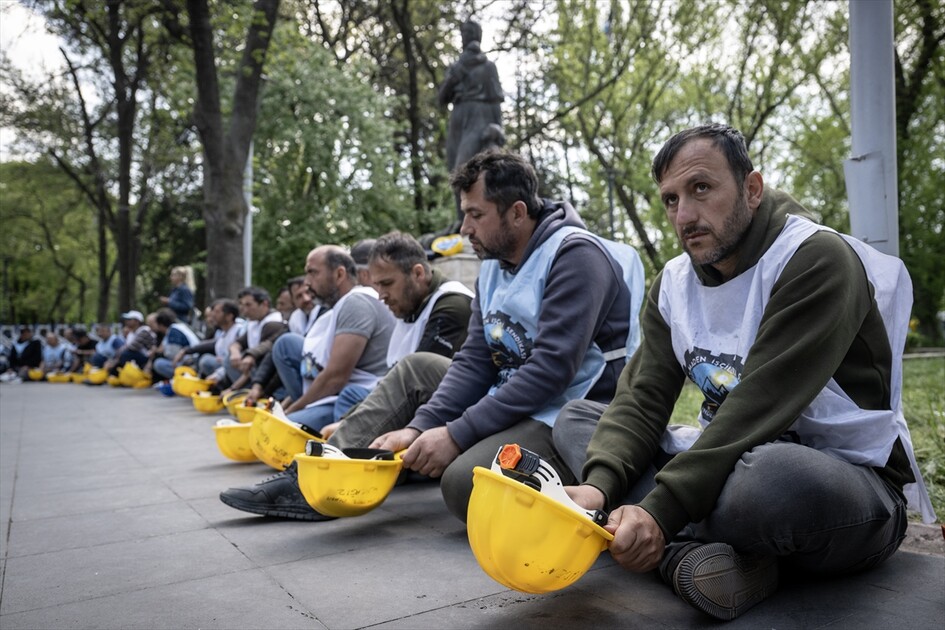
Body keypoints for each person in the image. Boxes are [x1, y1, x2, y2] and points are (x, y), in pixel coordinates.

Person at [559, 124, 935, 621]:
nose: (685, 215)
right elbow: (641, 399)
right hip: (729, 461)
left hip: (841, 482)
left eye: (701, 188)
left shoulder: (816, 259)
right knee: (578, 421)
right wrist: (599, 488)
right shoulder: (671, 284)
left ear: (752, 189)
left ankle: (667, 544)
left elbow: (759, 406)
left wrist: (661, 509)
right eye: (671, 200)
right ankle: (696, 562)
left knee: (769, 481)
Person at [220, 150, 643, 521]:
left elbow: (550, 371)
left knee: (461, 485)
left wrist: (455, 434)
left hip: (568, 410)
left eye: (475, 214)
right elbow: (476, 359)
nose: (464, 229)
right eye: (465, 214)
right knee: (417, 368)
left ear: (517, 212)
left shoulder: (576, 256)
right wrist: (420, 427)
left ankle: (368, 469)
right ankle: (312, 483)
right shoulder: (494, 264)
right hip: (515, 398)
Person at [220, 232, 476, 519]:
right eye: (377, 285)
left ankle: (315, 484)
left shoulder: (452, 305)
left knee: (408, 372)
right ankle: (326, 472)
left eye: (387, 284)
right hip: (439, 410)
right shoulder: (410, 305)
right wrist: (348, 423)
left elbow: (423, 388)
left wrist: (349, 428)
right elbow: (392, 386)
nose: (381, 295)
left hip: (463, 411)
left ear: (418, 273)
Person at [253, 245, 395, 430]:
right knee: (285, 344)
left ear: (339, 274)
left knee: (276, 430)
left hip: (361, 394)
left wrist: (289, 413)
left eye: (313, 273)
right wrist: (286, 406)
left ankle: (304, 417)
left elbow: (335, 378)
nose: (307, 283)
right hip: (343, 390)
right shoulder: (341, 305)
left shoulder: (356, 304)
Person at [439, 19, 505, 223]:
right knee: (454, 172)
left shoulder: (488, 67)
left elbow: (495, 99)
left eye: (469, 33)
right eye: (463, 33)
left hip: (480, 115)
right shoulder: (456, 67)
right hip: (458, 118)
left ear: (478, 36)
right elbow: (441, 99)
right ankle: (462, 221)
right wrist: (452, 79)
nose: (465, 36)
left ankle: (480, 220)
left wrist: (498, 129)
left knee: (464, 170)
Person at [219, 287, 287, 393]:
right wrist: (235, 352)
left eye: (248, 305)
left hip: (270, 376)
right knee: (231, 358)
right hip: (254, 371)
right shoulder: (254, 322)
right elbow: (237, 343)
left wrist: (233, 389)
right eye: (241, 304)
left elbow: (262, 364)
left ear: (264, 304)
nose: (243, 309)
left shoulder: (273, 324)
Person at [175, 298, 243, 380]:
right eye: (213, 311)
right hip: (223, 368)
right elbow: (209, 344)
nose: (213, 315)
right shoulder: (222, 332)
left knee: (206, 360)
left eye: (217, 312)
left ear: (229, 316)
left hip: (236, 367)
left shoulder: (240, 330)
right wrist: (186, 351)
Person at [150, 308, 201, 381]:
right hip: (190, 359)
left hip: (190, 361)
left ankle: (182, 379)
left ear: (160, 325)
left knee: (159, 363)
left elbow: (173, 354)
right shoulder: (177, 327)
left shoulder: (174, 331)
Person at [105, 311, 157, 375]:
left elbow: (133, 347)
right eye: (126, 319)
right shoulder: (131, 333)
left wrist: (116, 360)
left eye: (129, 319)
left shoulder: (144, 330)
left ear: (137, 321)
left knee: (126, 354)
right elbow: (124, 348)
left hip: (148, 358)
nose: (126, 321)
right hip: (136, 357)